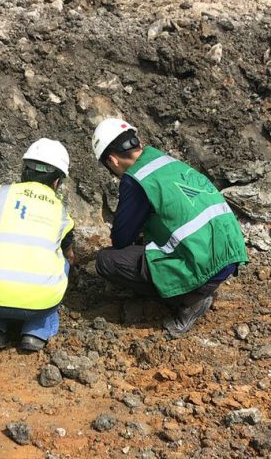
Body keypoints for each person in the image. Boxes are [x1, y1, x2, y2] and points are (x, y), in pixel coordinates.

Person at [91, 118, 248, 337]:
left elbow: (121, 238)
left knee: (106, 261)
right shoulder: (164, 161)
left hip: (203, 263)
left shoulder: (136, 179)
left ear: (112, 160)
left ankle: (188, 299)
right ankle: (198, 287)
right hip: (230, 253)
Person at [0, 138, 75, 353]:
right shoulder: (60, 211)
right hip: (39, 304)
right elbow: (69, 256)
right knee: (63, 264)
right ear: (57, 181)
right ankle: (35, 333)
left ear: (24, 171)